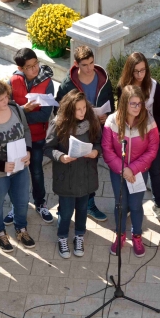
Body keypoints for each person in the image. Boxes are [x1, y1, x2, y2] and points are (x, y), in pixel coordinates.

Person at [54, 45, 114, 222]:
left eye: (91, 63)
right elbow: (59, 110)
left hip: (94, 132)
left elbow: (111, 104)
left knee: (90, 169)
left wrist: (107, 116)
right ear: (76, 64)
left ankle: (89, 204)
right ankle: (64, 207)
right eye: (85, 65)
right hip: (74, 135)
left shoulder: (104, 79)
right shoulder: (67, 84)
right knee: (70, 171)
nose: (89, 68)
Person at [102, 85, 159, 258]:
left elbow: (153, 148)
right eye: (133, 104)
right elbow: (107, 149)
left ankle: (136, 235)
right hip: (118, 172)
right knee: (121, 204)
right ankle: (120, 235)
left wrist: (132, 169)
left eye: (139, 104)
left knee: (135, 205)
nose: (137, 107)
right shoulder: (112, 121)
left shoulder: (149, 121)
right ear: (124, 104)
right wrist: (123, 170)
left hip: (139, 172)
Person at [45, 90, 102, 259]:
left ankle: (79, 235)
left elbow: (99, 143)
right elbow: (48, 148)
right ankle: (62, 237)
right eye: (78, 109)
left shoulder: (92, 122)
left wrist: (95, 152)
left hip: (85, 175)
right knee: (67, 211)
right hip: (66, 176)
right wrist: (61, 157)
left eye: (84, 107)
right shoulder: (58, 124)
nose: (82, 111)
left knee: (83, 208)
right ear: (70, 109)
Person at [0, 80, 35, 253]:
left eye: (6, 97)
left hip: (20, 166)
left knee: (22, 201)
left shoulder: (16, 109)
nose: (5, 101)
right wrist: (1, 165)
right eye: (0, 99)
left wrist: (28, 151)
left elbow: (25, 130)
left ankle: (21, 228)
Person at [116, 52, 160, 222]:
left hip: (149, 135)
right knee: (130, 169)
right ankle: (130, 204)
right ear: (129, 71)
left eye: (142, 70)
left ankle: (159, 203)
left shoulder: (154, 87)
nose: (139, 75)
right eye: (135, 71)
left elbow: (159, 115)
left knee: (154, 171)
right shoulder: (123, 87)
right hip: (130, 138)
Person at [7, 48, 55, 224]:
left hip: (37, 136)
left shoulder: (47, 82)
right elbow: (7, 110)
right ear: (20, 68)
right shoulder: (12, 81)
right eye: (29, 67)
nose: (35, 69)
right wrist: (23, 111)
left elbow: (44, 115)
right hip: (16, 137)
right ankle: (16, 207)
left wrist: (20, 114)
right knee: (16, 173)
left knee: (36, 171)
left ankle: (40, 203)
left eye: (36, 64)